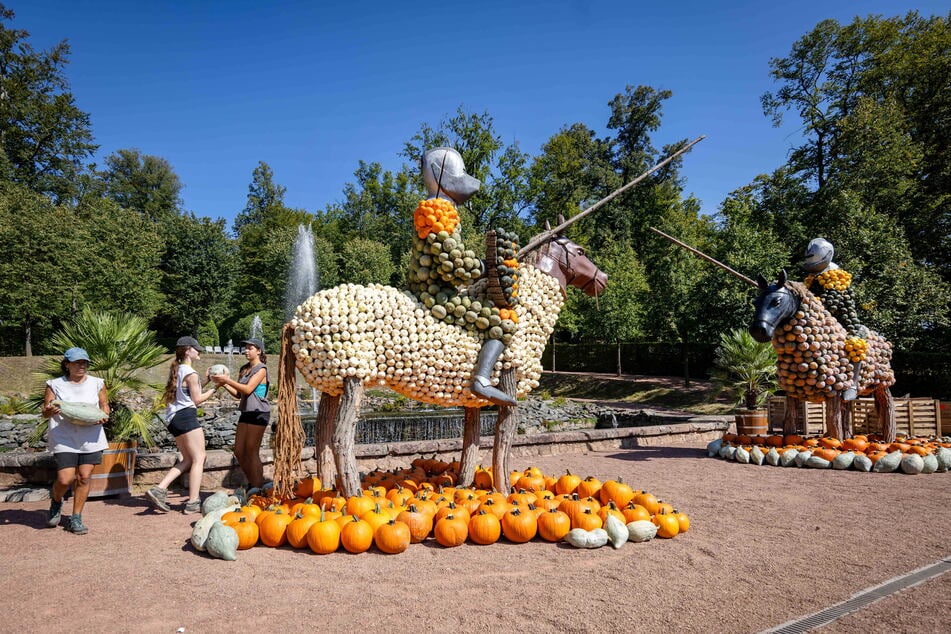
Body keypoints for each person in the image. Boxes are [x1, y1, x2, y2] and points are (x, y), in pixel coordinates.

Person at [414, 146, 515, 406]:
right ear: (440, 173)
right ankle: (481, 380)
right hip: (436, 296)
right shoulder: (437, 211)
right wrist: (487, 267)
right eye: (459, 172)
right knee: (502, 322)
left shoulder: (439, 210)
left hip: (436, 289)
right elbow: (451, 262)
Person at [41, 347, 110, 535]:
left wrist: (104, 416)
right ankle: (56, 500)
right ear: (67, 364)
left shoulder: (97, 383)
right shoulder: (54, 384)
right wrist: (50, 411)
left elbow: (104, 406)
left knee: (84, 477)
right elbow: (45, 411)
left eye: (85, 362)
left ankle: (76, 517)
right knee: (65, 479)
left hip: (91, 436)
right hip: (64, 437)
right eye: (77, 362)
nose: (82, 366)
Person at [145, 336, 216, 514]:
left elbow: (189, 393)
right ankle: (193, 502)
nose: (199, 351)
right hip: (186, 418)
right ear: (187, 351)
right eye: (196, 348)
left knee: (189, 459)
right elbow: (197, 399)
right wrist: (217, 386)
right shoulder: (190, 373)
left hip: (174, 418)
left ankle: (158, 489)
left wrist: (206, 382)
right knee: (200, 458)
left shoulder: (179, 369)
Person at [801, 238, 868, 400]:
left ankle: (853, 383)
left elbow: (828, 304)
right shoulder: (814, 278)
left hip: (843, 322)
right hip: (818, 321)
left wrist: (806, 304)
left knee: (856, 343)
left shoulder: (836, 277)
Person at [211, 338, 270, 492]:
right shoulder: (245, 370)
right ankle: (254, 483)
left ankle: (258, 487)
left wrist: (227, 380)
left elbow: (248, 389)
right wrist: (224, 384)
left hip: (259, 412)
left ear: (259, 351)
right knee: (238, 451)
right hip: (246, 411)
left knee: (251, 450)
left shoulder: (262, 369)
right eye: (245, 348)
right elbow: (239, 394)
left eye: (250, 348)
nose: (246, 350)